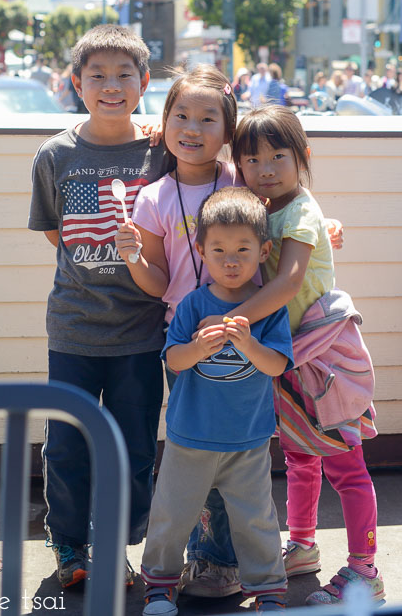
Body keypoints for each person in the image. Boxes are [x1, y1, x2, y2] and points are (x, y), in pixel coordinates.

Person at [115, 67, 344, 599]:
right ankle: (178, 571)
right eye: (181, 117)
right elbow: (156, 281)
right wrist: (130, 258)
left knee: (237, 457)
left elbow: (283, 211)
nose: (193, 127)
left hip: (250, 325)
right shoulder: (153, 197)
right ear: (165, 122)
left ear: (227, 132)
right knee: (192, 453)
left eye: (207, 118)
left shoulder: (238, 184)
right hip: (186, 331)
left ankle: (220, 564)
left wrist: (325, 227)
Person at [28, 24, 168, 589]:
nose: (111, 86)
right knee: (66, 444)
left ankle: (119, 544)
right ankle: (68, 544)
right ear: (75, 83)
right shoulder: (55, 154)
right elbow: (56, 233)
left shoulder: (161, 150)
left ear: (144, 83)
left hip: (141, 333)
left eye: (123, 75)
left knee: (134, 447)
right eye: (97, 76)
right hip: (73, 330)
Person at [227, 105, 384, 606]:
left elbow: (291, 279)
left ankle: (366, 569)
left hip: (323, 356)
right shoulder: (259, 206)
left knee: (346, 464)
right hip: (288, 354)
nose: (266, 168)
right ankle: (302, 545)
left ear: (303, 157)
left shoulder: (300, 212)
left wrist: (238, 321)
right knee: (298, 454)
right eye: (253, 160)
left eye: (279, 155)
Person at [139, 187, 293, 615]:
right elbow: (173, 359)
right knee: (172, 515)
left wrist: (247, 342)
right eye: (219, 249)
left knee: (256, 520)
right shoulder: (192, 305)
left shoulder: (267, 310)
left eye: (243, 249)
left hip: (249, 438)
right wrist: (199, 348)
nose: (231, 259)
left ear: (263, 251)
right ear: (202, 253)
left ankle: (269, 593)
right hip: (191, 436)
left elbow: (276, 366)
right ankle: (158, 588)